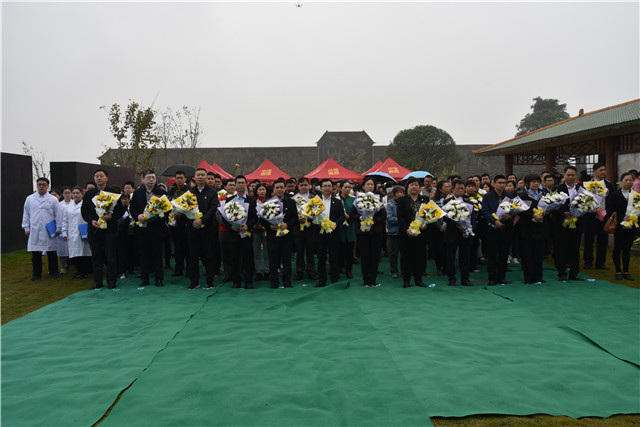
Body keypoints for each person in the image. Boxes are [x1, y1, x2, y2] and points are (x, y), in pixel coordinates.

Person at [81, 169, 124, 289]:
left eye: (101, 176)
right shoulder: (89, 194)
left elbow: (120, 211)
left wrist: (111, 216)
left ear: (106, 178)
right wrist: (91, 220)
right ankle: (97, 281)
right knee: (96, 256)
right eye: (97, 176)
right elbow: (84, 211)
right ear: (94, 179)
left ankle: (111, 280)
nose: (99, 178)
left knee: (110, 256)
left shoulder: (114, 193)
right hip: (94, 229)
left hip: (109, 229)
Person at [130, 170, 168, 287]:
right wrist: (138, 216)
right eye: (148, 177)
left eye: (153, 178)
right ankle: (144, 278)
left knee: (157, 253)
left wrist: (159, 213)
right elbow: (132, 209)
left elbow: (168, 209)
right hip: (142, 228)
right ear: (143, 180)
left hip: (157, 227)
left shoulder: (161, 192)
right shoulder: (137, 193)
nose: (151, 180)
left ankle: (159, 278)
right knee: (143, 253)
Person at [218, 175, 257, 289]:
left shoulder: (252, 200)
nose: (240, 185)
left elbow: (255, 217)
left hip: (247, 233)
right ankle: (236, 281)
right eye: (238, 183)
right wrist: (231, 226)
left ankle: (248, 281)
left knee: (248, 257)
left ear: (246, 185)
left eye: (242, 183)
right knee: (234, 257)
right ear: (235, 185)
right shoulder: (229, 200)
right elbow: (224, 218)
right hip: (233, 234)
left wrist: (248, 225)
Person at [22, 177, 62, 281]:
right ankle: (36, 274)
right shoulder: (30, 199)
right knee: (36, 252)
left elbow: (58, 215)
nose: (41, 187)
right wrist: (26, 227)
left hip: (49, 229)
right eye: (39, 184)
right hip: (34, 228)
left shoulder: (53, 199)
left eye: (43, 185)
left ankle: (53, 272)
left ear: (47, 186)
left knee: (51, 251)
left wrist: (58, 228)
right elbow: (26, 214)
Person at [350, 177, 387, 287]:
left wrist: (373, 220)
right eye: (368, 184)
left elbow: (383, 216)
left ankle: (373, 279)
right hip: (362, 232)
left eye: (372, 184)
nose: (370, 186)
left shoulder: (378, 199)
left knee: (374, 256)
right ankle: (366, 280)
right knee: (365, 256)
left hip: (375, 232)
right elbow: (352, 214)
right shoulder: (357, 200)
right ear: (363, 186)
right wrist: (361, 218)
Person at [186, 168, 219, 290]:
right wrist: (193, 221)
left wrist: (202, 220)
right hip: (192, 228)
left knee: (209, 255)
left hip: (208, 228)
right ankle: (194, 281)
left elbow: (213, 209)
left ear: (206, 177)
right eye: (198, 175)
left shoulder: (212, 192)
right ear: (194, 177)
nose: (200, 177)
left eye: (202, 175)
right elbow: (185, 209)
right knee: (193, 256)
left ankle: (209, 281)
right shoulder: (189, 192)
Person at [261, 179, 297, 288]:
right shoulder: (268, 202)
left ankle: (287, 281)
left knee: (287, 259)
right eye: (277, 187)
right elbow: (262, 220)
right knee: (273, 260)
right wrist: (270, 226)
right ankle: (274, 281)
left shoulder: (291, 202)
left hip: (287, 236)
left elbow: (295, 218)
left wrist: (287, 224)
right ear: (273, 189)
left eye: (282, 187)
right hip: (272, 236)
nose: (280, 189)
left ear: (285, 188)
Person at [551, 166, 583, 281]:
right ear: (564, 176)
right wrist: (563, 213)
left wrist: (582, 212)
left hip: (576, 224)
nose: (570, 177)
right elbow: (552, 207)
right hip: (561, 224)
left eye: (572, 175)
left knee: (575, 249)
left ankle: (574, 273)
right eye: (568, 175)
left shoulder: (581, 189)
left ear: (576, 176)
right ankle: (562, 273)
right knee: (561, 248)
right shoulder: (557, 188)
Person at [481, 174, 513, 286]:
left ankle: (502, 277)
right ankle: (492, 278)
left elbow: (514, 209)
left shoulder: (509, 195)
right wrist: (495, 221)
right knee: (492, 254)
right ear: (494, 183)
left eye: (504, 183)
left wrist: (510, 216)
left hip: (506, 228)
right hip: (492, 229)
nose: (502, 185)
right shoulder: (488, 196)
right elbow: (485, 212)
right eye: (500, 183)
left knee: (504, 254)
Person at [583, 162, 616, 270]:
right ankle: (588, 262)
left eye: (604, 170)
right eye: (601, 170)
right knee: (589, 240)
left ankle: (600, 262)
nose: (603, 172)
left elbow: (611, 200)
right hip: (590, 216)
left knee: (603, 240)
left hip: (604, 216)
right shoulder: (587, 184)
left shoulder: (608, 184)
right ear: (594, 171)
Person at [397, 177, 429, 288]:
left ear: (420, 188)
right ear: (407, 188)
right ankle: (406, 280)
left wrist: (426, 224)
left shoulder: (425, 199)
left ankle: (418, 279)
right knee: (406, 257)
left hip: (421, 233)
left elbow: (429, 215)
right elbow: (400, 217)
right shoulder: (402, 200)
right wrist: (406, 229)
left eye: (416, 185)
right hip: (406, 233)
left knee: (419, 256)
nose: (414, 187)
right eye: (411, 185)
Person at [313, 178, 345, 287]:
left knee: (334, 256)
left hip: (333, 233)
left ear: (332, 188)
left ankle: (334, 278)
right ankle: (322, 279)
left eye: (329, 186)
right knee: (321, 257)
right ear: (321, 188)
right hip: (320, 233)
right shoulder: (315, 201)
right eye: (325, 186)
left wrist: (335, 224)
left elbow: (342, 217)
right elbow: (310, 216)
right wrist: (317, 222)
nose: (327, 188)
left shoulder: (338, 202)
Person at [517, 173, 547, 284]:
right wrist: (532, 215)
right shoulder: (522, 195)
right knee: (528, 255)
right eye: (533, 182)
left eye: (538, 182)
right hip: (527, 228)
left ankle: (538, 276)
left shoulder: (544, 194)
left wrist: (546, 212)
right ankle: (529, 277)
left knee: (539, 254)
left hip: (541, 228)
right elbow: (520, 210)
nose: (536, 184)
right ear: (527, 183)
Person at [443, 180, 474, 287]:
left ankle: (465, 278)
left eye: (462, 189)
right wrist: (457, 225)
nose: (461, 191)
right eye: (458, 189)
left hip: (465, 233)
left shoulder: (469, 203)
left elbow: (472, 219)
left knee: (465, 257)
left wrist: (470, 229)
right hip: (452, 232)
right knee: (450, 257)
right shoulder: (447, 202)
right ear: (453, 190)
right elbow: (445, 218)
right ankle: (451, 278)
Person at [607, 172, 637, 281]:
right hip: (619, 226)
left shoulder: (636, 195)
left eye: (630, 180)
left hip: (631, 226)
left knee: (627, 249)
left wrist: (634, 217)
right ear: (621, 181)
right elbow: (609, 210)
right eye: (626, 180)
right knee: (618, 248)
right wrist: (622, 217)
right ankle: (618, 271)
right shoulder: (614, 195)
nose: (628, 182)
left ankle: (626, 271)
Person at [62, 186, 92, 279]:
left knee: (84, 253)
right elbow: (65, 220)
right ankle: (79, 271)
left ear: (82, 194)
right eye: (74, 193)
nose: (75, 195)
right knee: (74, 254)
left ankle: (84, 272)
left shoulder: (86, 205)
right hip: (72, 232)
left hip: (83, 232)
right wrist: (64, 232)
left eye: (78, 193)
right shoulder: (68, 207)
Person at [166, 170, 191, 278]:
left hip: (186, 223)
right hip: (174, 223)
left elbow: (193, 206)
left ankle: (189, 270)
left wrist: (182, 213)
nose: (179, 180)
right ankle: (178, 268)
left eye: (181, 178)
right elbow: (166, 205)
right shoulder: (171, 191)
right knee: (177, 248)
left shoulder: (189, 191)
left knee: (188, 248)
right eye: (177, 178)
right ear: (175, 179)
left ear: (185, 179)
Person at [293, 177, 317, 280]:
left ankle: (311, 271)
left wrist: (311, 221)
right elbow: (290, 215)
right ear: (298, 186)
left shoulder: (314, 198)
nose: (304, 187)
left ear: (309, 186)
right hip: (298, 229)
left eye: (305, 185)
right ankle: (299, 271)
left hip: (311, 229)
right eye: (301, 185)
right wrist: (297, 219)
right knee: (299, 251)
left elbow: (319, 214)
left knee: (310, 251)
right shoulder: (293, 199)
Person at [339, 181, 356, 279]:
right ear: (341, 188)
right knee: (340, 250)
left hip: (350, 227)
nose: (347, 189)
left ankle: (349, 270)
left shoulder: (354, 199)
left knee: (349, 251)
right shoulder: (337, 199)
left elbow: (357, 212)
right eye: (345, 187)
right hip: (340, 228)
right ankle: (341, 267)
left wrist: (350, 216)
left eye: (349, 187)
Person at [386, 185, 405, 278]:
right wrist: (401, 220)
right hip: (394, 232)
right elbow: (389, 218)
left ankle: (404, 270)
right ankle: (394, 271)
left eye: (401, 192)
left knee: (404, 253)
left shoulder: (405, 203)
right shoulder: (390, 204)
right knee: (394, 253)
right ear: (394, 194)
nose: (400, 194)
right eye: (398, 193)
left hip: (404, 231)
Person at [252, 183, 270, 281]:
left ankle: (267, 270)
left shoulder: (270, 202)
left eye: (263, 189)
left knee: (267, 252)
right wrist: (255, 225)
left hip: (266, 230)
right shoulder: (253, 202)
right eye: (260, 189)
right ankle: (258, 271)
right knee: (256, 252)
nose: (262, 191)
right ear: (257, 191)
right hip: (255, 230)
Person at [57, 186, 73, 274]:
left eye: (69, 192)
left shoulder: (75, 203)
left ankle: (72, 265)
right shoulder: (59, 205)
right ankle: (62, 266)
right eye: (65, 193)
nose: (67, 195)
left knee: (72, 248)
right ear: (62, 194)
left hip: (72, 228)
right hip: (62, 228)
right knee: (62, 249)